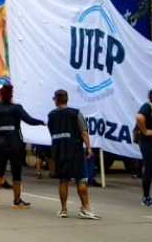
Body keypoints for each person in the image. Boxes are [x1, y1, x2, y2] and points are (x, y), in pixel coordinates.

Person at [0, 84, 45, 209]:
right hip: (15, 144)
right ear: (11, 95)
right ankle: (17, 200)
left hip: (0, 145)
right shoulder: (17, 108)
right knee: (16, 173)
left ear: (0, 95)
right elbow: (29, 120)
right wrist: (42, 122)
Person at [48, 89, 99, 220]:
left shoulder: (51, 115)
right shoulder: (76, 113)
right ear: (67, 99)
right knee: (81, 179)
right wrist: (89, 148)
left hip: (59, 151)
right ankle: (85, 208)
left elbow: (51, 131)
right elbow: (83, 131)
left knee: (63, 180)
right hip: (75, 150)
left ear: (56, 100)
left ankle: (63, 209)